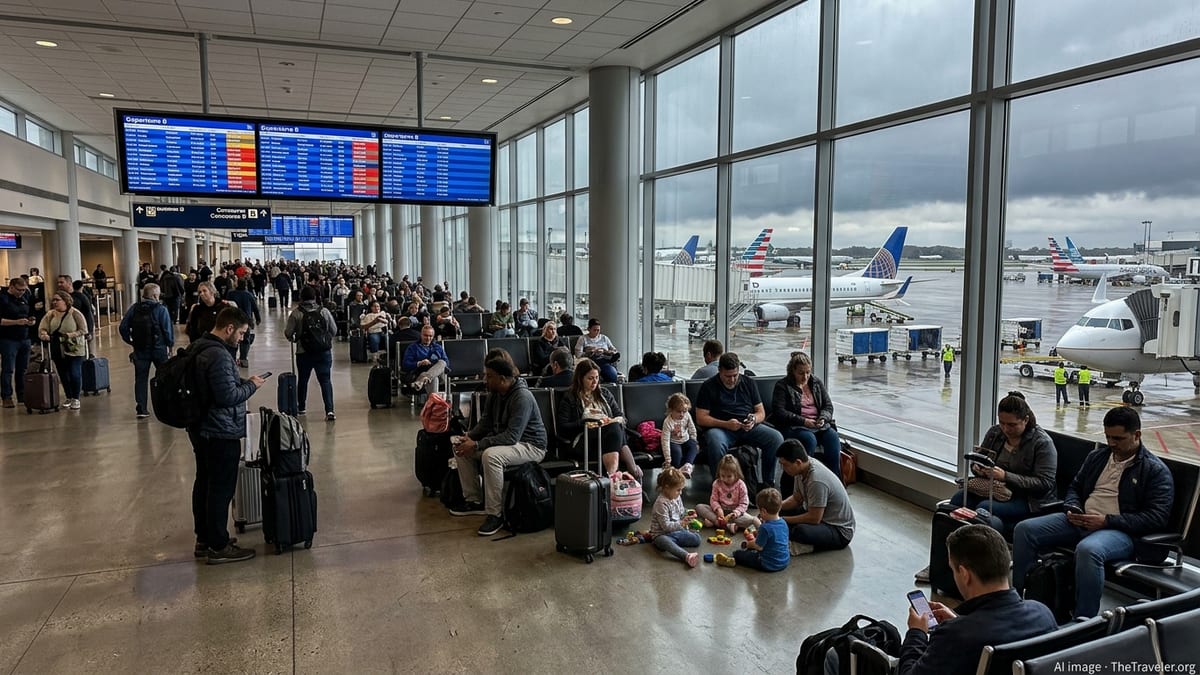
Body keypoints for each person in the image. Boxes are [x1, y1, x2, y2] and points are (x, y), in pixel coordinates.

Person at [828, 525, 1057, 675]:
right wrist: (958, 620)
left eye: (953, 570)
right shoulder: (1042, 613)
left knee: (834, 658)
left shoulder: (957, 636)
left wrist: (916, 633)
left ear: (964, 574)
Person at [1013, 406, 1174, 618]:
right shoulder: (1098, 457)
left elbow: (1156, 517)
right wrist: (1073, 507)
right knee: (1024, 530)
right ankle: (1019, 599)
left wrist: (1106, 521)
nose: (1112, 443)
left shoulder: (1154, 471)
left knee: (1089, 550)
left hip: (1120, 530)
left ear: (1137, 435)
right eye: (1108, 437)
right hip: (1082, 519)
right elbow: (1075, 487)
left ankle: (1084, 619)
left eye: (1118, 438)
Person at [914, 391, 1058, 582]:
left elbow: (1045, 483)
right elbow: (981, 459)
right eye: (1002, 423)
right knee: (957, 501)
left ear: (1025, 420)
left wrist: (1005, 476)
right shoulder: (995, 433)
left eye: (1012, 425)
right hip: (992, 489)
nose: (1005, 429)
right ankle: (943, 562)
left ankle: (977, 567)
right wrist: (978, 468)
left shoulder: (1041, 443)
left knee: (983, 509)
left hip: (1027, 498)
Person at [188, 306, 266, 564]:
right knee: (220, 488)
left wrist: (242, 382)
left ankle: (205, 538)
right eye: (241, 333)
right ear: (229, 328)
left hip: (201, 428)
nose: (242, 339)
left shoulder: (199, 346)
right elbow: (227, 397)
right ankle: (218, 546)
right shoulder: (219, 355)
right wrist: (251, 386)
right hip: (219, 431)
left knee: (205, 482)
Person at [449, 358, 547, 537]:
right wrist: (469, 437)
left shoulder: (522, 397)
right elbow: (485, 423)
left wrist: (477, 444)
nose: (485, 380)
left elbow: (512, 436)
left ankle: (495, 514)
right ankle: (474, 500)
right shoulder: (495, 393)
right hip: (508, 443)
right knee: (460, 447)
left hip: (531, 445)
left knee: (491, 456)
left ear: (502, 379)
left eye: (489, 376)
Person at [696, 352, 785, 485]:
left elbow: (761, 412)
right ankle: (720, 486)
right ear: (719, 371)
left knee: (775, 438)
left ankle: (768, 482)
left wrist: (753, 419)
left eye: (735, 375)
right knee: (716, 442)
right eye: (728, 376)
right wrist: (726, 424)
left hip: (747, 427)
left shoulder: (748, 382)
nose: (732, 380)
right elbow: (701, 418)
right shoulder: (708, 386)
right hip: (721, 428)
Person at [556, 358, 641, 479]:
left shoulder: (604, 394)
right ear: (580, 379)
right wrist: (585, 423)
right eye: (590, 378)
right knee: (614, 430)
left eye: (596, 377)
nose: (594, 382)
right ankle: (631, 470)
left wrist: (610, 421)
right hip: (584, 441)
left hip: (607, 440)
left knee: (614, 427)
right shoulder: (570, 398)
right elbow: (563, 427)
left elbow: (620, 416)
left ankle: (612, 476)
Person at [777, 439, 855, 555]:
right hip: (819, 515)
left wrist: (782, 520)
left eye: (785, 465)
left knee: (800, 531)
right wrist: (776, 507)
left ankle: (805, 546)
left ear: (798, 462)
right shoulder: (801, 469)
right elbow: (797, 499)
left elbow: (814, 518)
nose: (783, 469)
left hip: (839, 530)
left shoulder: (816, 480)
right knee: (778, 513)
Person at [770, 351, 843, 476]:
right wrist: (804, 421)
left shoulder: (816, 383)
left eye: (808, 372)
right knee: (809, 440)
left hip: (817, 425)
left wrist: (823, 418)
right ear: (792, 371)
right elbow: (779, 412)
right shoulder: (783, 386)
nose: (805, 377)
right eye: (801, 373)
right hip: (794, 425)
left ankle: (833, 477)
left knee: (832, 437)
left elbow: (828, 406)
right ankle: (805, 477)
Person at [119, 283, 174, 419]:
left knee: (141, 379)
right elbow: (167, 330)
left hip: (140, 349)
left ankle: (141, 408)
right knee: (164, 377)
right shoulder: (161, 309)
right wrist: (170, 345)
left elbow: (123, 327)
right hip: (159, 349)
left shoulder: (134, 308)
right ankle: (165, 406)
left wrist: (131, 341)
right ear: (155, 295)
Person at [284, 286, 337, 421]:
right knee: (325, 380)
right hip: (323, 352)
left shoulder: (296, 313)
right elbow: (334, 330)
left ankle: (302, 407)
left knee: (303, 380)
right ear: (315, 297)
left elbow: (288, 333)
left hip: (304, 352)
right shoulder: (324, 311)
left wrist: (295, 338)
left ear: (301, 297)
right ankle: (329, 410)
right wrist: (324, 340)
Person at [37, 291, 88, 410]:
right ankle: (68, 396)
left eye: (57, 300)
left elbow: (83, 330)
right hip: (57, 348)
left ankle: (76, 398)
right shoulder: (50, 314)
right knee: (63, 374)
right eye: (53, 300)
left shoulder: (75, 313)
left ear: (65, 301)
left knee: (74, 373)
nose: (55, 302)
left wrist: (69, 335)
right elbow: (42, 328)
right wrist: (44, 334)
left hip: (74, 348)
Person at [724, 488, 789, 572]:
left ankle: (733, 558)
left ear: (764, 511)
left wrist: (747, 544)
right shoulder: (783, 523)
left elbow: (758, 547)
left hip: (768, 564)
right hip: (783, 561)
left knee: (738, 554)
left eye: (759, 511)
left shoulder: (765, 527)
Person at [649, 467, 701, 568]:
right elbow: (666, 527)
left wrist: (688, 513)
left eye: (681, 489)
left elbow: (681, 512)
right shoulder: (661, 503)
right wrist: (682, 523)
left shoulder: (676, 497)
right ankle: (686, 556)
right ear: (667, 487)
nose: (680, 493)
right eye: (678, 490)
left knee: (697, 539)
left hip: (676, 531)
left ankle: (675, 542)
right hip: (661, 534)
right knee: (663, 541)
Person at [696, 455, 761, 533]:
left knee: (754, 520)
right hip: (719, 513)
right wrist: (718, 509)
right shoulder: (717, 483)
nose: (725, 479)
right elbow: (713, 500)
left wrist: (736, 513)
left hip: (735, 515)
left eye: (729, 476)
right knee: (699, 507)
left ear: (736, 474)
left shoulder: (741, 485)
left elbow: (744, 503)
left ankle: (716, 523)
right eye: (722, 476)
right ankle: (723, 524)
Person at [0, 277, 35, 408]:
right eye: (19, 290)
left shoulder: (25, 297)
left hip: (24, 338)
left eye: (23, 290)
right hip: (8, 339)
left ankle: (22, 394)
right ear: (11, 287)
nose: (21, 292)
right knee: (8, 369)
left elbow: (29, 312)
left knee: (23, 369)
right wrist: (16, 322)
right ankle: (6, 396)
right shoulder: (2, 299)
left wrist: (30, 320)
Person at [402, 324, 450, 395]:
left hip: (440, 374)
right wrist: (419, 363)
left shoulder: (438, 347)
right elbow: (405, 365)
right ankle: (432, 401)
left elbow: (447, 363)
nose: (428, 338)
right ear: (421, 335)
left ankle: (422, 380)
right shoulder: (413, 348)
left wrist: (435, 363)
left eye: (430, 336)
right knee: (433, 379)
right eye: (425, 335)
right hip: (420, 372)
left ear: (433, 336)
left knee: (442, 362)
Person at [661, 392, 699, 477]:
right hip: (674, 442)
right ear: (671, 410)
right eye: (678, 412)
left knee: (694, 446)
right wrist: (667, 459)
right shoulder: (667, 422)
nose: (682, 414)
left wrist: (694, 439)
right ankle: (676, 472)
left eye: (684, 411)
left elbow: (692, 428)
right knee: (677, 453)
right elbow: (665, 440)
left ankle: (687, 466)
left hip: (686, 440)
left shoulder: (687, 415)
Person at [224, 279, 260, 368]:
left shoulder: (231, 294)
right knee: (245, 340)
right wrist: (258, 319)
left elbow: (226, 306)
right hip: (246, 321)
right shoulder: (249, 294)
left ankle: (232, 358)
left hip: (233, 319)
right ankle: (243, 359)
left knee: (233, 339)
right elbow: (255, 308)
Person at [574, 318, 620, 383]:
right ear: (589, 329)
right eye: (594, 330)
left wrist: (605, 351)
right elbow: (578, 355)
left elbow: (614, 350)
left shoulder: (604, 338)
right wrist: (590, 352)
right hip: (590, 362)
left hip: (603, 360)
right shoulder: (583, 339)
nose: (596, 332)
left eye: (598, 330)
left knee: (612, 374)